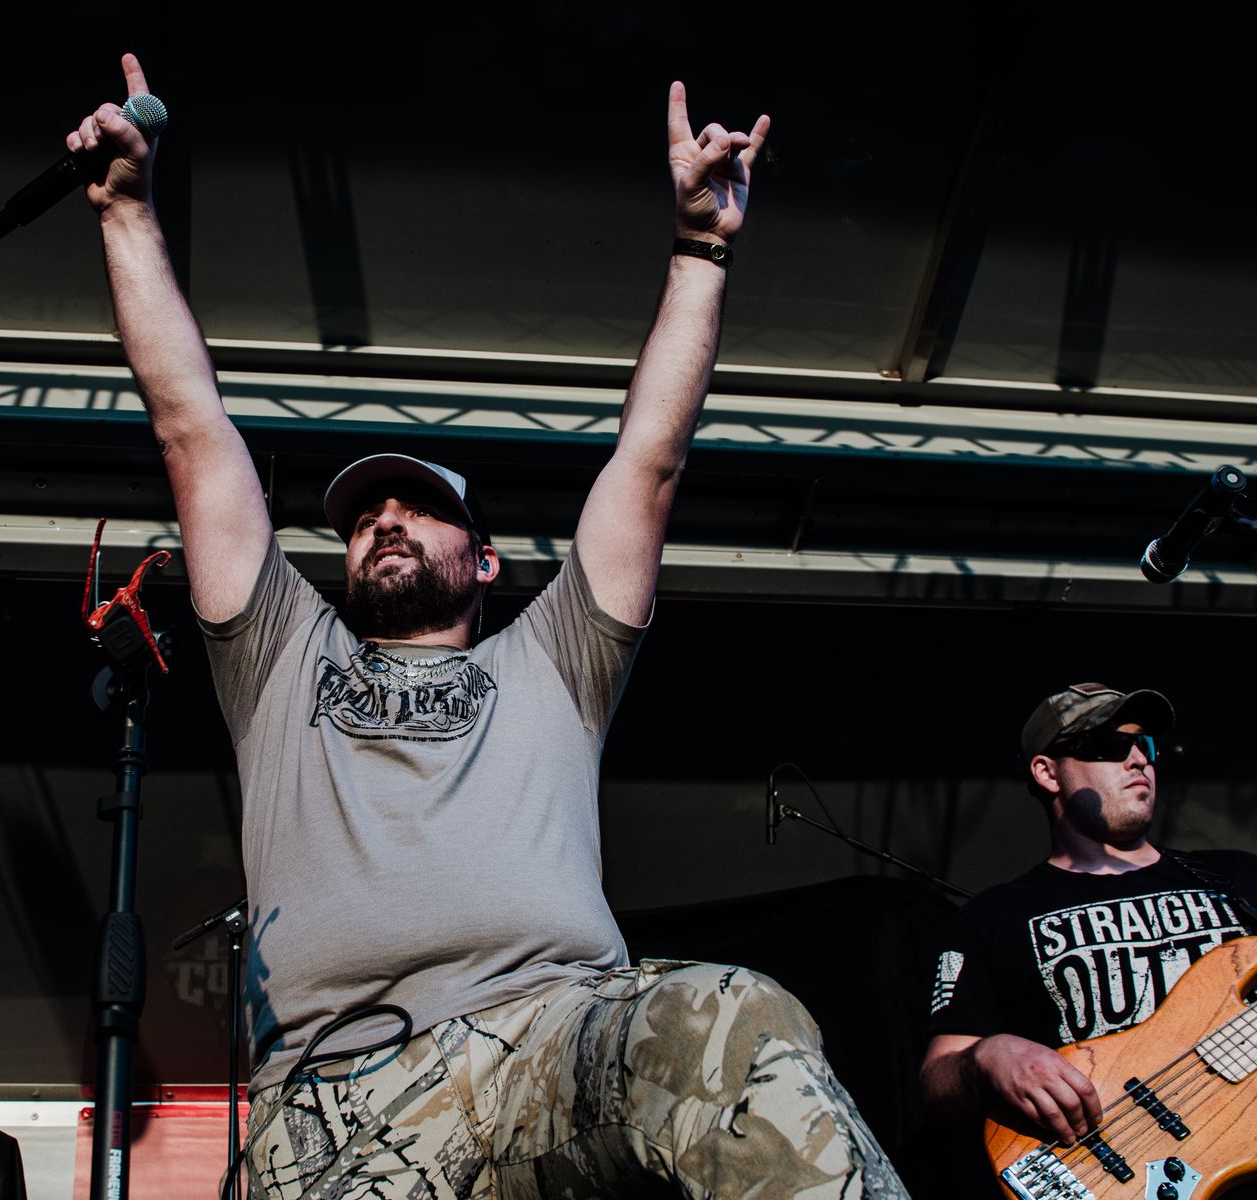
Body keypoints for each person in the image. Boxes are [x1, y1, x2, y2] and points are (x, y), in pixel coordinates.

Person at [70, 54, 905, 1198]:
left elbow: (649, 461)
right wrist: (124, 211)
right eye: (364, 515)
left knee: (725, 1017)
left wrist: (700, 251)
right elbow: (192, 429)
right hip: (332, 1097)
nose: (386, 520)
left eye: (419, 508)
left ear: (487, 559)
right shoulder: (280, 658)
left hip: (544, 1044)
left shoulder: (555, 658)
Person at [921, 682, 1257, 1152]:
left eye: (1145, 745)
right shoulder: (994, 917)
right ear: (1047, 772)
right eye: (1110, 745)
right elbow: (936, 1083)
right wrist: (987, 1056)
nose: (1138, 760)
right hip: (1111, 1160)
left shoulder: (1240, 878)